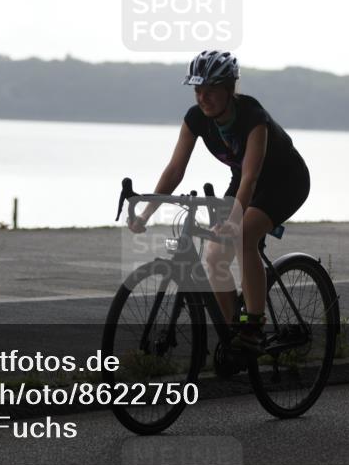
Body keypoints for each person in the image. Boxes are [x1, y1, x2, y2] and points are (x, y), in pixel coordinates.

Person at [127, 50, 310, 354]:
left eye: (210, 91)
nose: (203, 98)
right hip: (244, 180)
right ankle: (233, 335)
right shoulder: (196, 119)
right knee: (214, 255)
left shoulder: (253, 116)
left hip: (285, 181)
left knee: (243, 236)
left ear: (229, 89)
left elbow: (251, 177)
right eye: (198, 90)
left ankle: (252, 326)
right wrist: (146, 213)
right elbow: (175, 170)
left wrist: (235, 222)